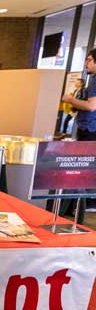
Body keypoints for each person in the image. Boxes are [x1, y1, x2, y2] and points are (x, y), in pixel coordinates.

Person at [61, 49, 96, 211]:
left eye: (89, 60)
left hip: (90, 130)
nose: (86, 63)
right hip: (89, 129)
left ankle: (84, 203)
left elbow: (91, 106)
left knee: (84, 166)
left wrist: (71, 100)